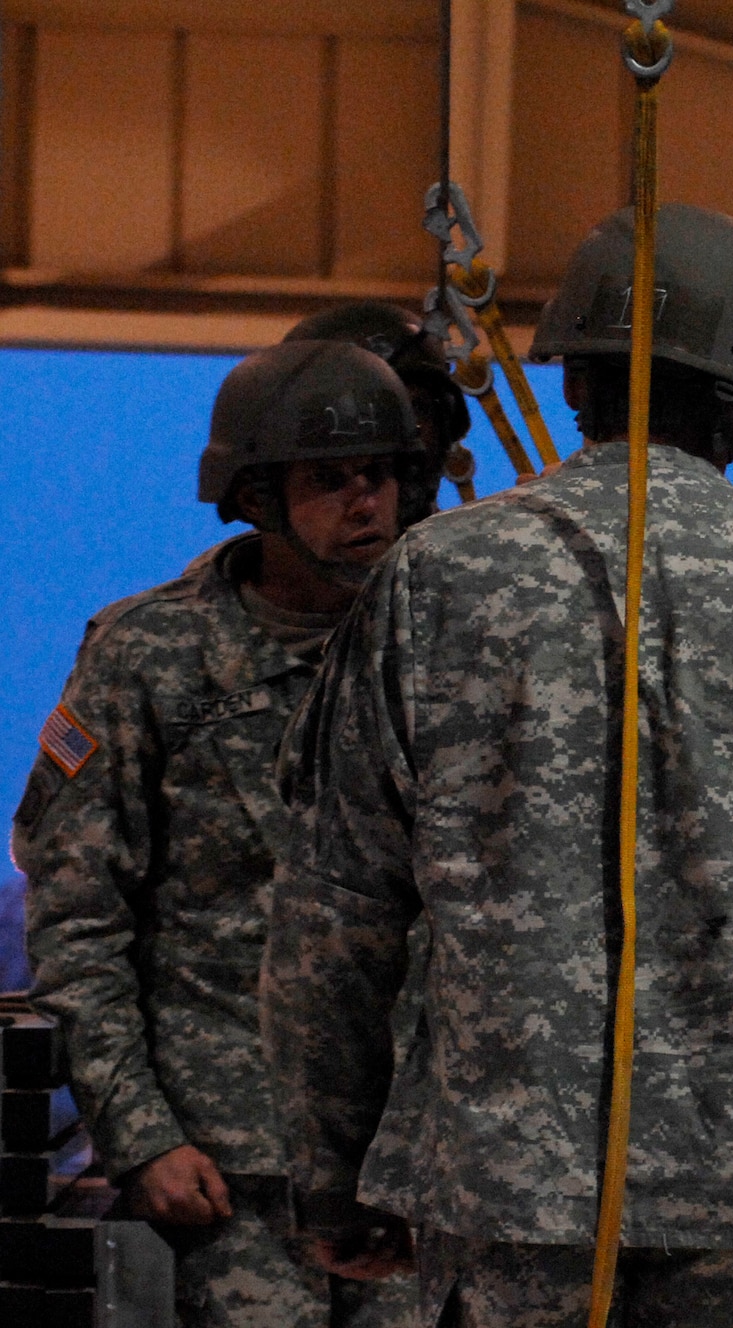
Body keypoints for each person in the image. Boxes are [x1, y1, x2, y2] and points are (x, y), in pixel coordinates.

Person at [260, 204, 733, 1328]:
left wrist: (330, 1170)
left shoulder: (435, 580)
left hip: (504, 1202)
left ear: (571, 381)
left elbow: (332, 918)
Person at [13, 341, 432, 1327]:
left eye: (380, 474)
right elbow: (78, 919)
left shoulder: (443, 648)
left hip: (418, 1163)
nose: (365, 501)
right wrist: (141, 1132)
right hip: (231, 1166)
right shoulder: (147, 655)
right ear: (253, 492)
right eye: (328, 479)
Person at [282, 302, 475, 517]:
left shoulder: (488, 547)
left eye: (415, 412)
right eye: (363, 418)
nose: (397, 441)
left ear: (444, 428)